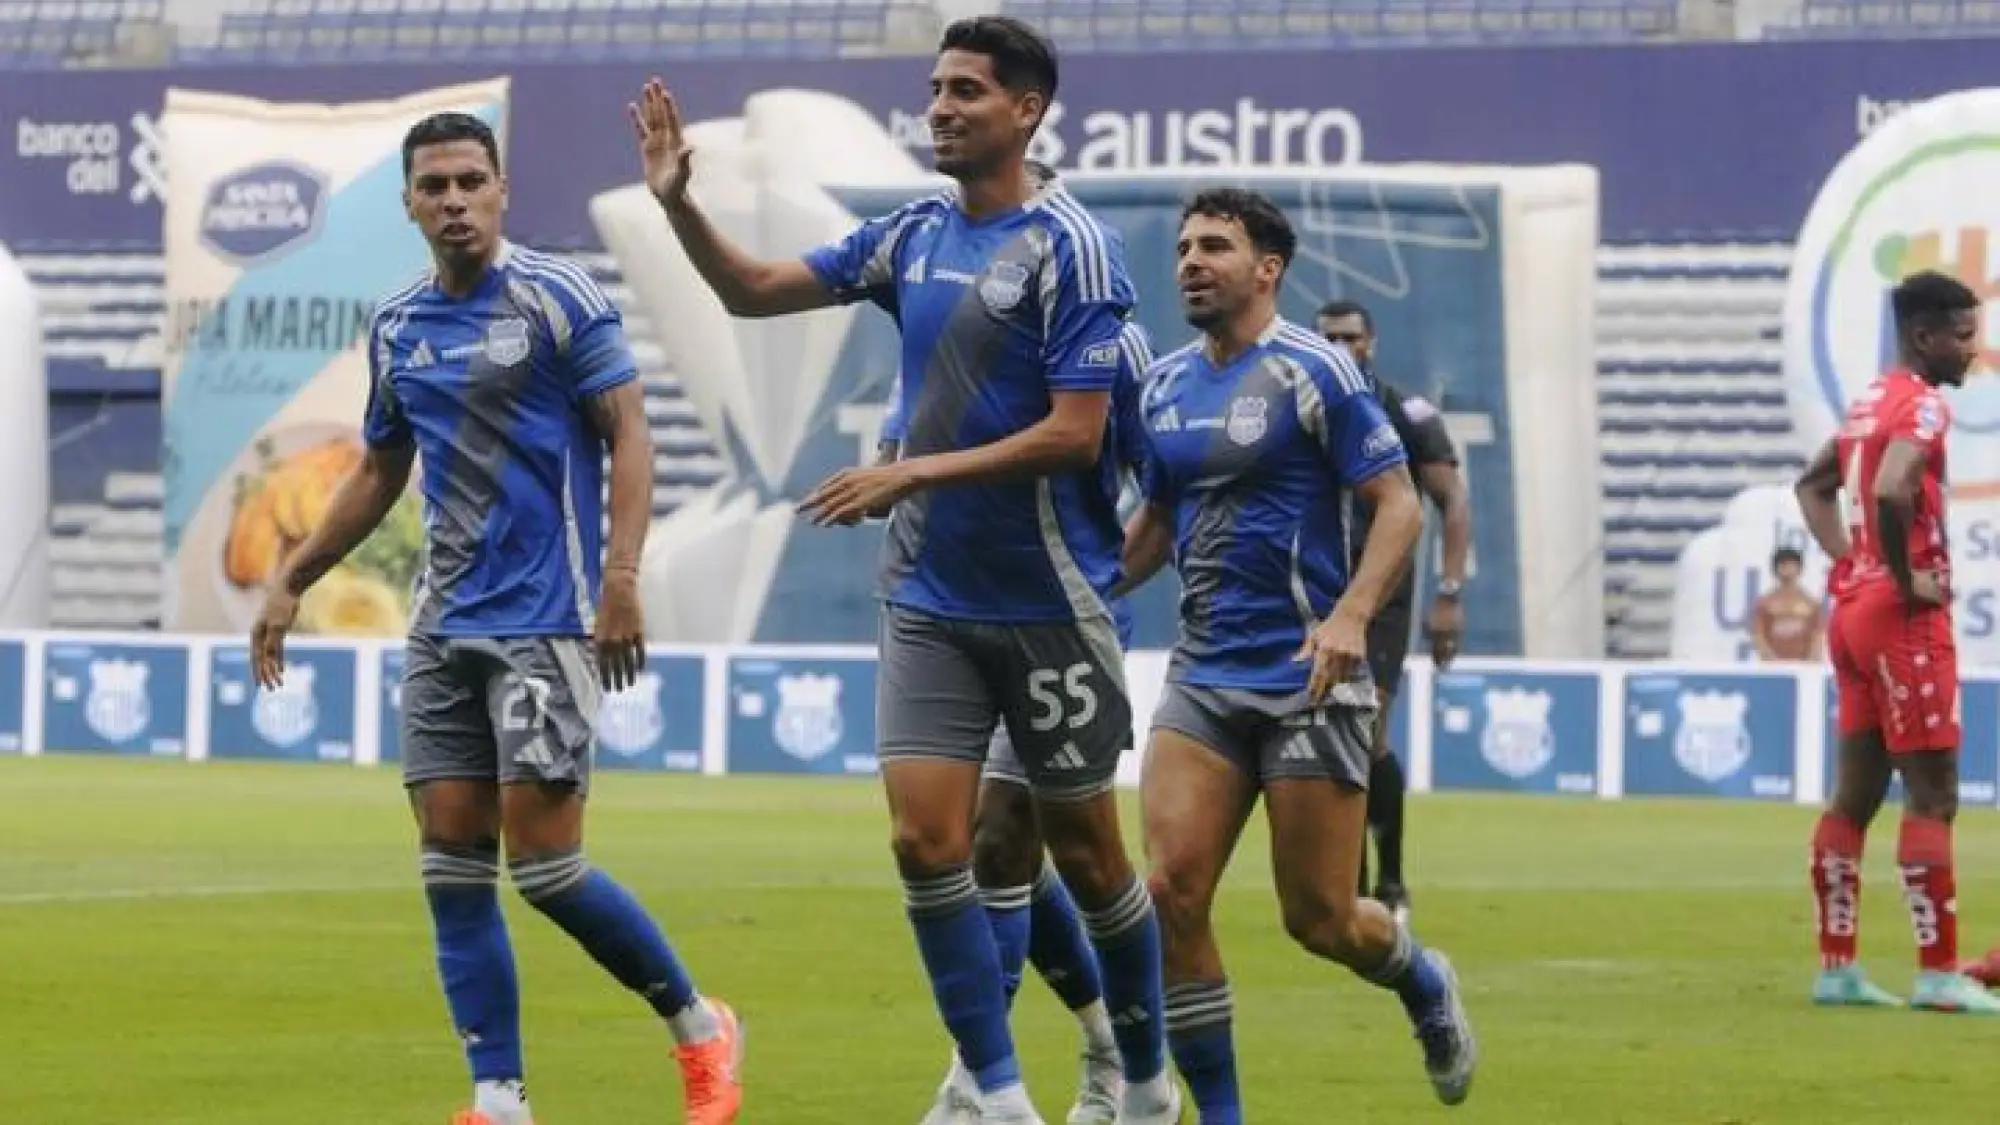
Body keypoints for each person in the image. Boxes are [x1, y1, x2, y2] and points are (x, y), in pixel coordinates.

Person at [629, 17, 1177, 1124]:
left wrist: (911, 472)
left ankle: (1145, 1074)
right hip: (928, 594)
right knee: (927, 841)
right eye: (934, 88)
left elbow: (1076, 434)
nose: (939, 106)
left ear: (1024, 109)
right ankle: (994, 1091)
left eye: (966, 89)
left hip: (1051, 599)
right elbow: (752, 289)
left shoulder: (1073, 247)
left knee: (1083, 856)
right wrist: (678, 202)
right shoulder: (912, 232)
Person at [248, 113, 744, 1125]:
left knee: (549, 868)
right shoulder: (398, 326)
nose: (455, 200)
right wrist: (294, 574)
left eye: (472, 181)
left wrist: (620, 577)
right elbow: (380, 467)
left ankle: (699, 1025)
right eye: (435, 187)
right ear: (409, 204)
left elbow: (631, 432)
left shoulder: (558, 296)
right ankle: (498, 1097)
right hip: (441, 629)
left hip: (547, 617)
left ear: (502, 190)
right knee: (449, 863)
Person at [1117, 188, 1478, 1123]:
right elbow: (1154, 522)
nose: (1192, 261)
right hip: (1202, 677)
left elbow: (1398, 503)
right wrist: (1085, 589)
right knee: (1169, 890)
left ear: (1266, 269)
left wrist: (1353, 615)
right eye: (1186, 245)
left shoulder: (1319, 372)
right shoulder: (1161, 385)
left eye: (1216, 247)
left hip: (1310, 677)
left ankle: (1418, 974)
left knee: (1321, 920)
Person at [878, 317, 1154, 1125]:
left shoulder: (1109, 342)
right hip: (950, 617)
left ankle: (1046, 1075)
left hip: (1055, 623)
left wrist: (1098, 587)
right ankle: (1052, 1060)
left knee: (1039, 843)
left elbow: (1160, 486)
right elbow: (900, 460)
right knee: (977, 843)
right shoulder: (931, 344)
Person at [1793, 268, 1999, 1014]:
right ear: (1923, 335)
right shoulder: (1922, 410)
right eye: (1964, 334)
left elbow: (1814, 484)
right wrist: (1906, 574)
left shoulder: (1872, 398)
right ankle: (1939, 973)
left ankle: (1837, 967)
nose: (1975, 350)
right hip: (1901, 617)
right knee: (1935, 792)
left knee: (1856, 791)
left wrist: (1851, 560)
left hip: (1853, 608)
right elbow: (1890, 488)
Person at [1315, 299, 1473, 920]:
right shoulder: (1297, 407)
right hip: (1314, 588)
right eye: (1327, 337)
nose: (1340, 346)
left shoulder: (1406, 413)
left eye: (1350, 337)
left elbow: (1450, 501)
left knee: (1367, 727)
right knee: (1325, 731)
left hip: (1381, 593)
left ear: (1371, 343)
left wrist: (1449, 593)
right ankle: (1346, 882)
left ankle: (1391, 880)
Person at [1750, 546, 1824, 663]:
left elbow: (1818, 634)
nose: (1787, 569)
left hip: (1804, 665)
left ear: (1799, 568)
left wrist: (1812, 660)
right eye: (1783, 565)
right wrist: (1769, 658)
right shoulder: (1765, 603)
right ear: (1775, 569)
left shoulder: (1811, 603)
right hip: (1773, 666)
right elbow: (1758, 634)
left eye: (1791, 565)